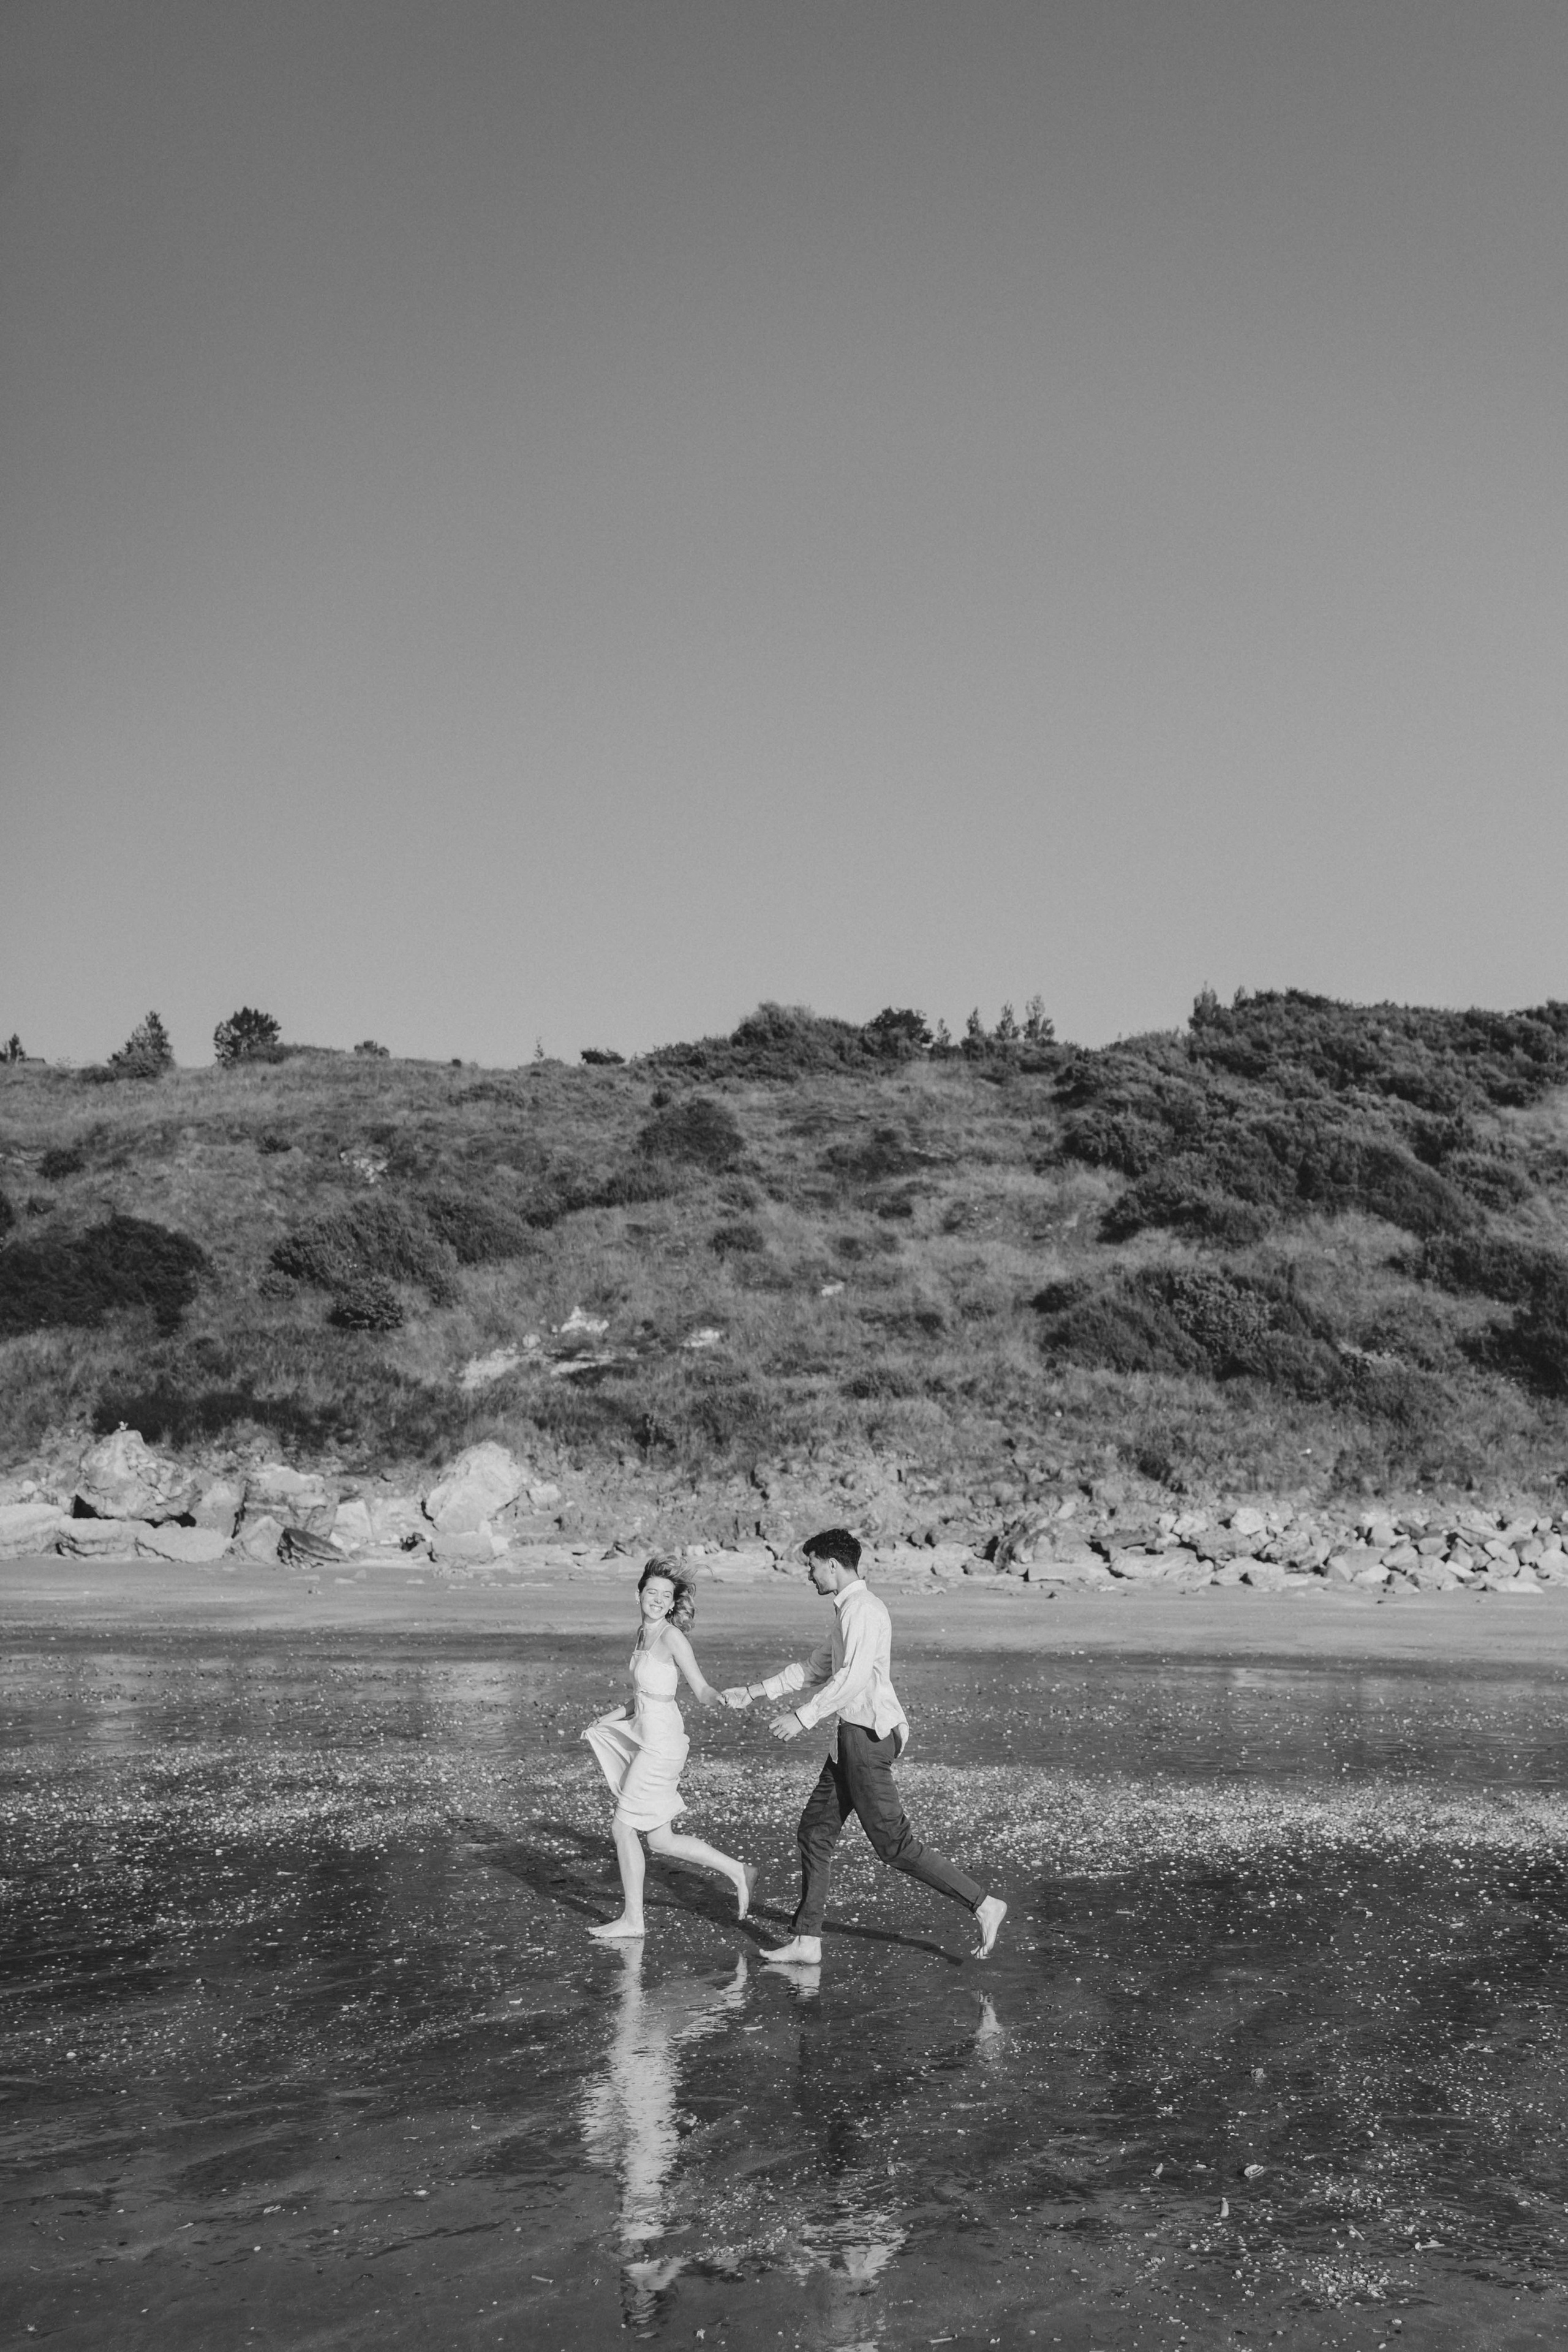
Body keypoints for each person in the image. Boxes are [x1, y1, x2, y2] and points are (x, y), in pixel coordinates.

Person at [723, 1528, 1006, 1966]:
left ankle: (983, 1903)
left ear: (832, 1565)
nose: (809, 1574)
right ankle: (807, 1940)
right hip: (849, 1737)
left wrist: (802, 1717)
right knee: (815, 1833)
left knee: (893, 1845)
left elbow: (851, 1679)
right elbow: (816, 1667)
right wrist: (754, 1690)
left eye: (812, 1565)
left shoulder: (863, 1611)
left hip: (865, 1738)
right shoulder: (848, 1611)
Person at [583, 1555, 756, 1940]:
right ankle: (738, 1870)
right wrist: (607, 1717)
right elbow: (641, 1695)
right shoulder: (643, 1633)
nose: (658, 1600)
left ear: (673, 1601)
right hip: (649, 1734)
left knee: (622, 1828)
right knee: (661, 1840)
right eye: (652, 1592)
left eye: (666, 1595)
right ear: (639, 1594)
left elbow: (701, 1689)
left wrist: (724, 1698)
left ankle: (633, 1920)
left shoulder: (670, 1636)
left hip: (661, 1744)